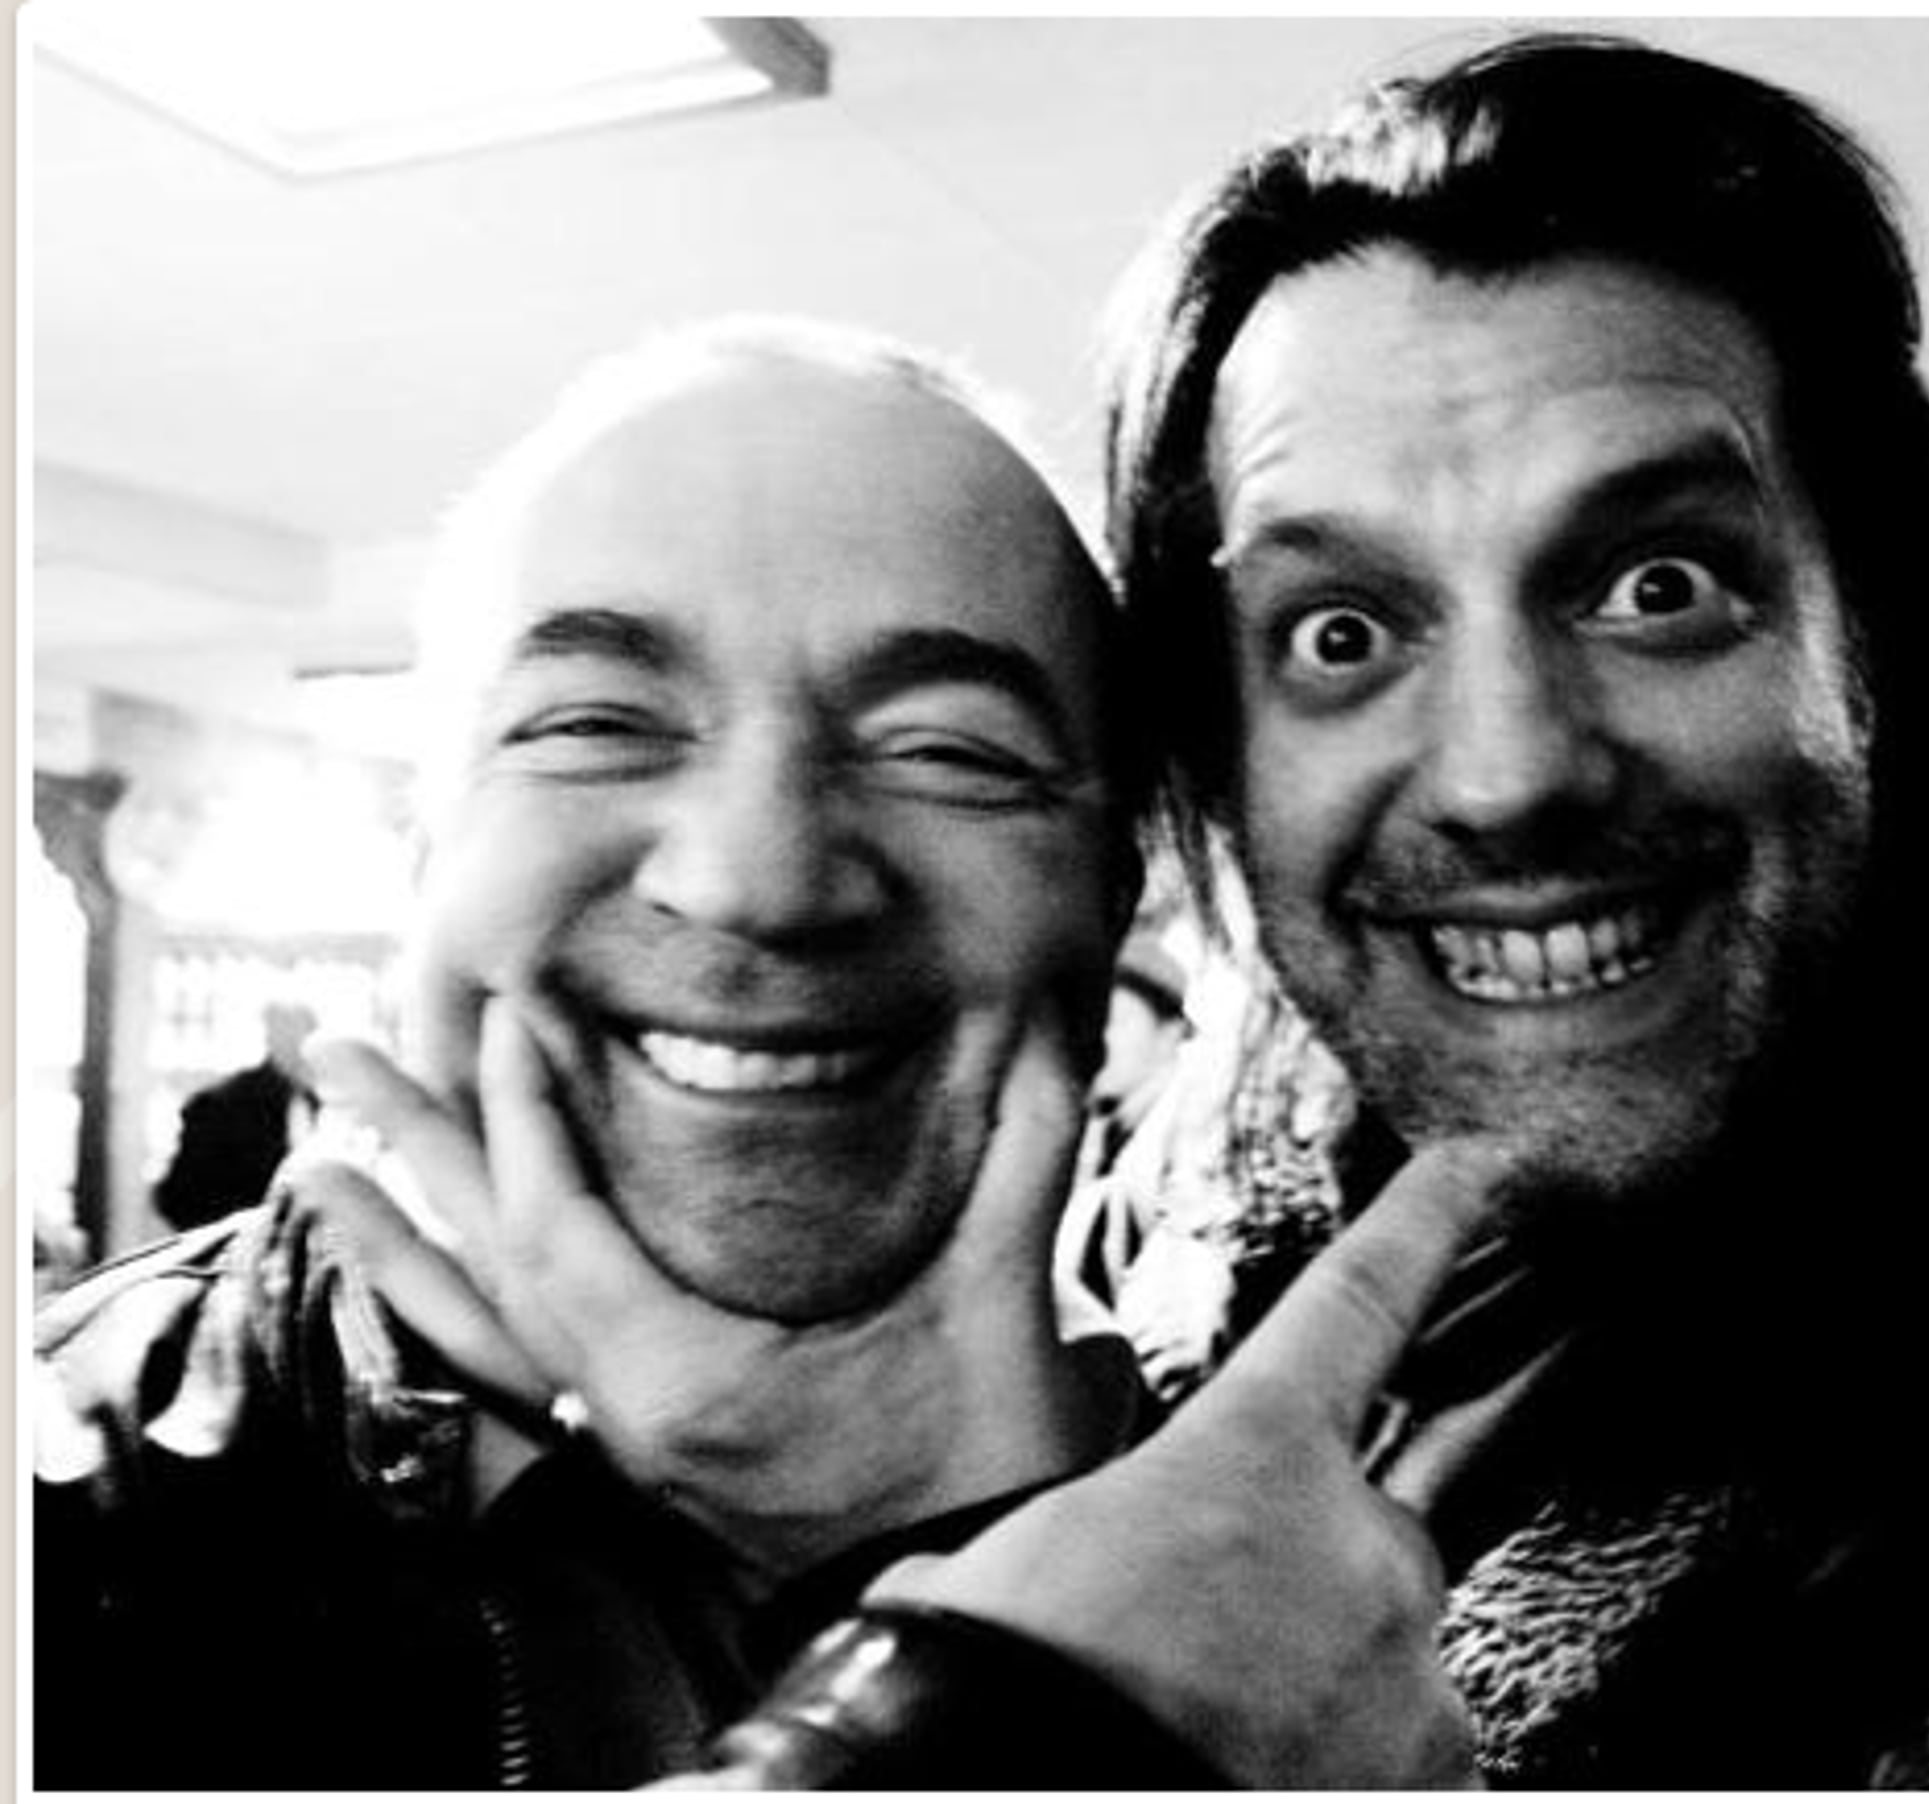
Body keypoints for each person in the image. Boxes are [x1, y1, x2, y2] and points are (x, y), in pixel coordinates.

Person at [1049, 32, 1929, 1785]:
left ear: (1886, 647)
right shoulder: (1251, 1169)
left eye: (1655, 585)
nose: (1502, 774)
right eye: (1344, 630)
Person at [33, 316, 1483, 1790]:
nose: (759, 878)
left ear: (1114, 895)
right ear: (432, 851)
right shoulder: (63, 1505)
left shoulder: (1333, 1585)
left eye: (949, 751)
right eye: (596, 724)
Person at [151, 998, 318, 1230]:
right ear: (269, 1036)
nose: (296, 1044)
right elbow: (178, 1199)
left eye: (303, 1031)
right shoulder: (221, 1105)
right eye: (286, 1031)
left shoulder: (331, 1105)